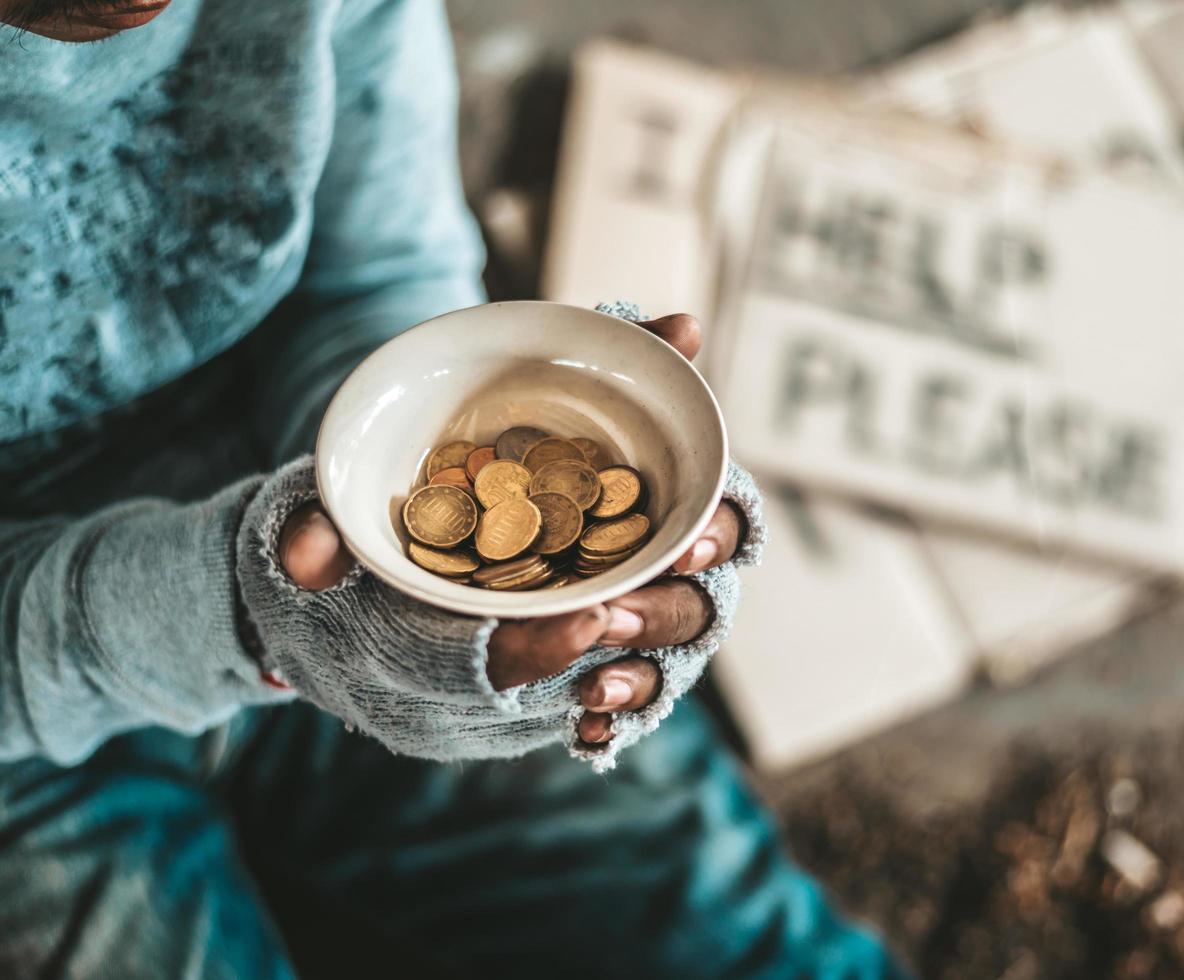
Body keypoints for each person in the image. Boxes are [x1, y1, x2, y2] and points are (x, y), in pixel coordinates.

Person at [0, 0, 901, 975]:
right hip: (23, 750)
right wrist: (240, 610)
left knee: (757, 950)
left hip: (304, 544)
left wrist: (443, 547)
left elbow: (372, 275)